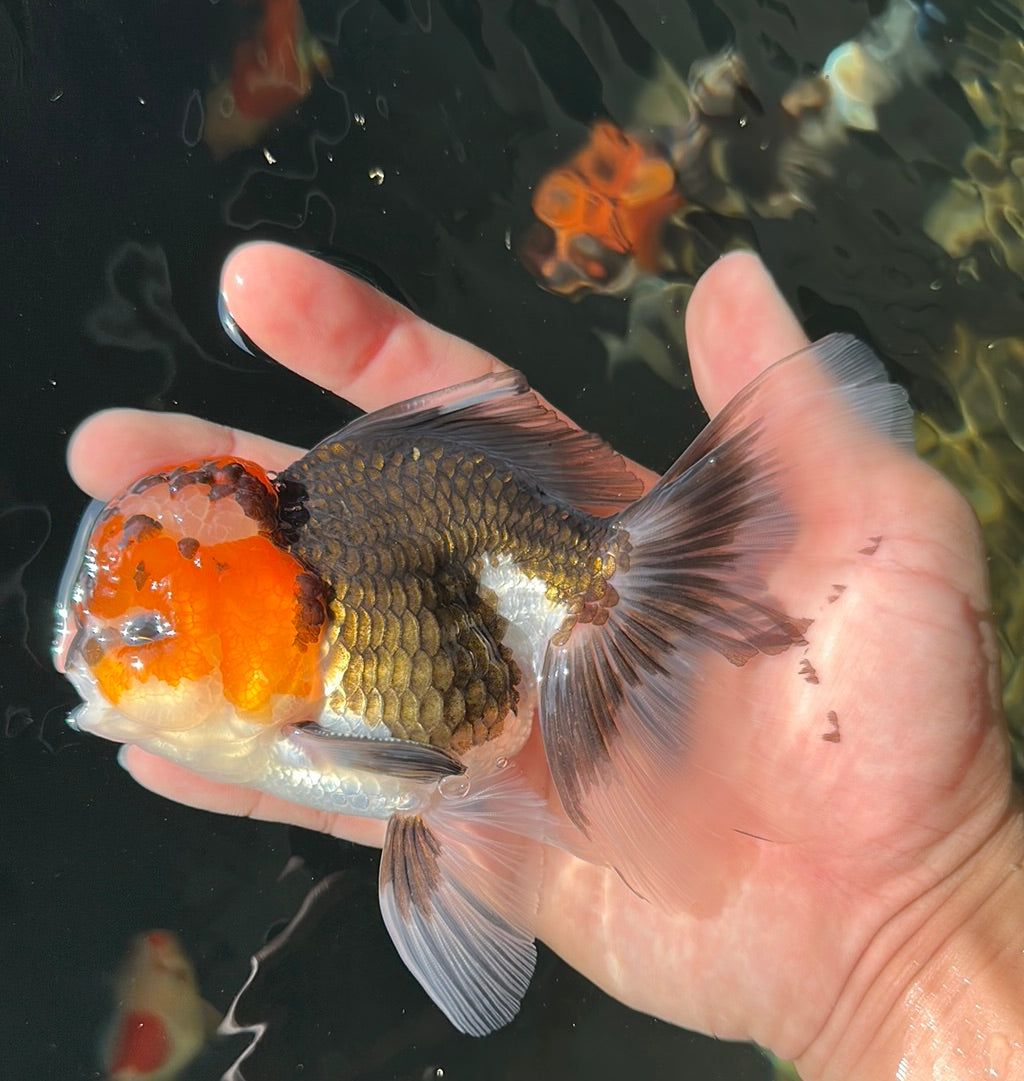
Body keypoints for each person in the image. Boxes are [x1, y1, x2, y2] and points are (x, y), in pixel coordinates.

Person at [68, 243, 1024, 1079]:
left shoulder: (312, 708)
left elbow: (421, 782)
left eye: (144, 641)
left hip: (511, 572)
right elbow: (430, 792)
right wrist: (909, 960)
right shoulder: (289, 705)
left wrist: (926, 922)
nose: (104, 668)